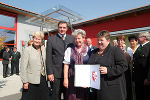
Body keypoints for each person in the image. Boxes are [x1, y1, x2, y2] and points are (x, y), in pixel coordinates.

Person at [88, 30, 128, 100]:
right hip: (96, 88)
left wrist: (108, 70)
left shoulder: (115, 50)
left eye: (101, 40)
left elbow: (123, 66)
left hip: (111, 89)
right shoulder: (93, 52)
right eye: (98, 40)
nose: (99, 42)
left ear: (108, 41)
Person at [46, 21, 74, 100]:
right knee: (56, 95)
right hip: (56, 74)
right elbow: (48, 57)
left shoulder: (71, 38)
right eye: (60, 27)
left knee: (68, 95)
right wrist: (50, 72)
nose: (62, 29)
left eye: (64, 27)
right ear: (58, 28)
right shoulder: (51, 39)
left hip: (69, 73)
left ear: (67, 28)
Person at [20, 31, 50, 100]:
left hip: (43, 78)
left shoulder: (43, 49)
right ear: (33, 39)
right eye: (35, 38)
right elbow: (23, 67)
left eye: (39, 39)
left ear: (41, 40)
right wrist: (25, 82)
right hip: (31, 80)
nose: (37, 40)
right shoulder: (27, 50)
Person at [63, 29, 91, 100]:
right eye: (75, 38)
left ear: (84, 38)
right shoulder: (69, 49)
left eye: (79, 38)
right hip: (72, 78)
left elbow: (91, 65)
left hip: (85, 79)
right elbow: (66, 65)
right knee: (73, 97)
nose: (77, 40)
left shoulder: (89, 50)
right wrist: (65, 79)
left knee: (84, 96)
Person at [133, 31, 150, 100]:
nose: (137, 39)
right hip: (138, 79)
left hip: (145, 80)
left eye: (139, 37)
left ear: (144, 38)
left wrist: (149, 78)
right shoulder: (139, 47)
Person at [116, 34, 132, 100]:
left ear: (124, 41)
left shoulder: (128, 49)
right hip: (118, 70)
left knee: (127, 86)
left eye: (121, 40)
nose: (120, 42)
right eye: (118, 40)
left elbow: (129, 60)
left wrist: (124, 50)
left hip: (126, 71)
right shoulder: (115, 48)